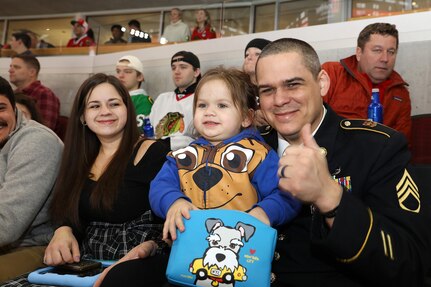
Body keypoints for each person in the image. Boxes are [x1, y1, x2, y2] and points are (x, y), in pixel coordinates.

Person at [255, 38, 431, 286]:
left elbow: (410, 264)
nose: (280, 99)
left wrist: (329, 195)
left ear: (322, 83)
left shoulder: (376, 147)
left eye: (293, 85)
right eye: (267, 90)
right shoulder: (246, 148)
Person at [41, 74, 170, 284]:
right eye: (94, 106)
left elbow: (176, 220)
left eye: (114, 104)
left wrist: (152, 246)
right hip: (86, 263)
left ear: (127, 108)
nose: (105, 112)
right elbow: (67, 210)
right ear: (82, 116)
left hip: (140, 261)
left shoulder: (154, 153)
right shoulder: (78, 158)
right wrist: (63, 229)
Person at [150, 66, 301, 240]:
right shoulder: (182, 156)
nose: (209, 112)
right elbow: (159, 186)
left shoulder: (258, 155)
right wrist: (174, 202)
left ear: (246, 117)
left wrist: (264, 212)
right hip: (189, 245)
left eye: (222, 105)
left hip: (243, 247)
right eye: (202, 105)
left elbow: (287, 194)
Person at [0, 76, 63, 282]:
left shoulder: (36, 141)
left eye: (1, 108)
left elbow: (7, 224)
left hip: (37, 246)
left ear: (14, 108)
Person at [322, 23, 411, 142]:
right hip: (328, 154)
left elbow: (402, 144)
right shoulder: (332, 74)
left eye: (391, 52)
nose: (385, 59)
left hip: (378, 158)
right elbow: (309, 121)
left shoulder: (400, 94)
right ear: (359, 53)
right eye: (377, 50)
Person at [149, 51, 201, 151]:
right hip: (156, 154)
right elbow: (150, 132)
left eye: (183, 67)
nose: (176, 71)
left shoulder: (202, 99)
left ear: (196, 72)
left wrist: (169, 144)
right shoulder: (162, 98)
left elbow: (199, 138)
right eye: (173, 68)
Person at [8, 55, 60, 133]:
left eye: (16, 67)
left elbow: (44, 130)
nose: (10, 70)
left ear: (32, 72)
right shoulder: (13, 93)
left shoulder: (45, 94)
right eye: (11, 66)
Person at [115, 55, 153, 128]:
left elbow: (140, 132)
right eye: (118, 71)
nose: (120, 75)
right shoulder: (114, 97)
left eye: (127, 71)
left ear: (140, 77)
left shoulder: (143, 101)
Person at [243, 37, 271, 126]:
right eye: (247, 55)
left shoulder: (276, 86)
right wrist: (251, 116)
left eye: (257, 54)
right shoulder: (239, 87)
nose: (249, 58)